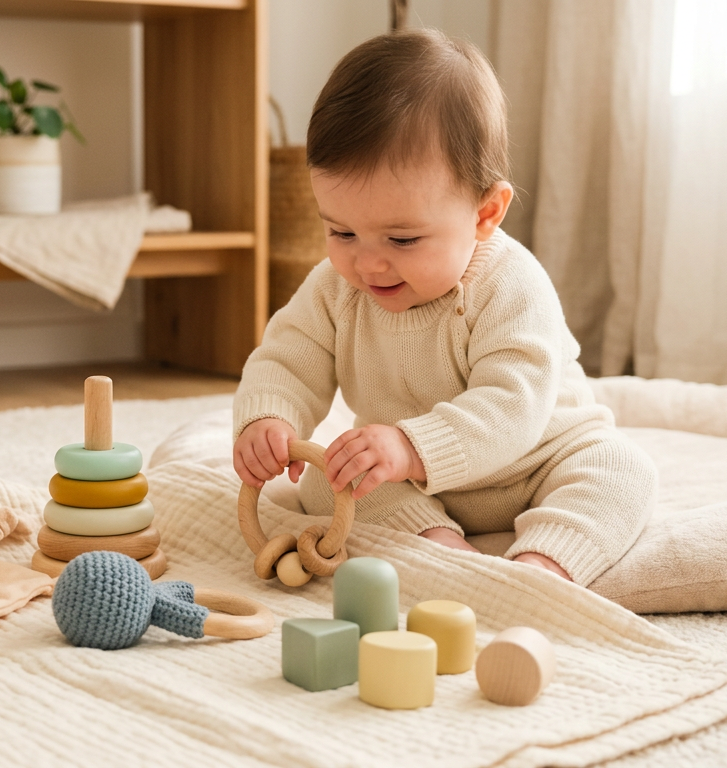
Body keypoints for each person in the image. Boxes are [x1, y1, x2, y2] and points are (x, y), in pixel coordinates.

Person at [232, 28, 657, 586]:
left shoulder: (513, 285)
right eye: (341, 231)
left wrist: (413, 445)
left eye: (403, 240)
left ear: (485, 213)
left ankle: (545, 562)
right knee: (325, 481)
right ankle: (441, 544)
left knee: (621, 469)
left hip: (535, 459)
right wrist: (269, 417)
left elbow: (514, 404)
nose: (369, 265)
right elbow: (289, 356)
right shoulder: (335, 289)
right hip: (403, 473)